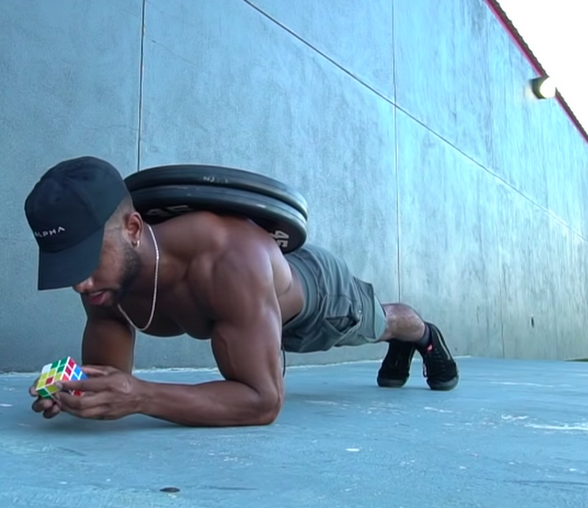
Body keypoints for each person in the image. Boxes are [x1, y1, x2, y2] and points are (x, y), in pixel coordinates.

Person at [23, 156, 459, 427]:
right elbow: (109, 376)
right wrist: (77, 393)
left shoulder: (227, 260)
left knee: (381, 322)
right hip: (250, 319)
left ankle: (421, 336)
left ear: (133, 229)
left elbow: (262, 402)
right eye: (70, 266)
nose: (80, 283)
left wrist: (142, 396)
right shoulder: (103, 280)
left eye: (88, 261)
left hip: (316, 302)